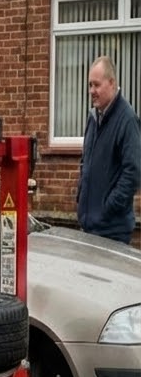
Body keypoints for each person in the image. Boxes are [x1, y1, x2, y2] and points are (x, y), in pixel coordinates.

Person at [76, 56, 141, 244]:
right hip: (89, 227)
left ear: (112, 83)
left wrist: (108, 208)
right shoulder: (93, 117)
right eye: (90, 85)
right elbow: (85, 161)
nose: (91, 91)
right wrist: (81, 194)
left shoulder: (127, 120)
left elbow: (134, 173)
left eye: (96, 85)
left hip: (112, 233)